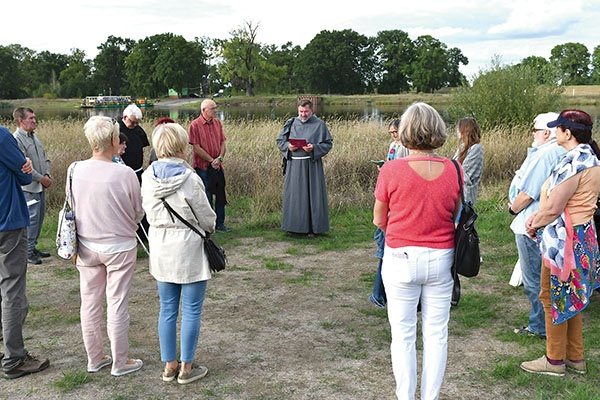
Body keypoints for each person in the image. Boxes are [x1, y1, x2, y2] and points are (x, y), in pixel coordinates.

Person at [373, 102, 461, 399]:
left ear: (406, 131)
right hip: (441, 257)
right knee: (437, 335)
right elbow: (457, 214)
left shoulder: (391, 170)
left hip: (400, 256)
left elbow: (378, 219)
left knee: (403, 335)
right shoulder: (454, 169)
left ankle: (406, 396)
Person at [521, 110, 600, 376]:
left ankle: (554, 360)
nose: (554, 132)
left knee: (552, 296)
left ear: (568, 133)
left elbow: (554, 207)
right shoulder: (590, 158)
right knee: (573, 297)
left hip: (566, 241)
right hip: (582, 235)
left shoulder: (575, 162)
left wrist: (533, 222)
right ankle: (575, 358)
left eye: (558, 129)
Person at [69, 116, 144, 376]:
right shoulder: (125, 173)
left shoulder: (74, 169)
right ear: (114, 140)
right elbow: (138, 210)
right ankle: (119, 361)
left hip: (86, 246)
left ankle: (95, 357)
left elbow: (73, 205)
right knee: (117, 303)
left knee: (89, 304)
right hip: (120, 246)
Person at [141, 122, 216, 384]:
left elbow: (146, 213)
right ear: (182, 147)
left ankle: (169, 365)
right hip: (189, 246)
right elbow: (207, 218)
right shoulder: (190, 178)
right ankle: (186, 367)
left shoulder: (147, 177)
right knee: (192, 309)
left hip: (161, 244)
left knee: (167, 308)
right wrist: (210, 227)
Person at [508, 112, 565, 339]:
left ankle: (539, 327)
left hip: (531, 223)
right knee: (547, 278)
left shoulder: (547, 154)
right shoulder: (560, 151)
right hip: (547, 223)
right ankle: (550, 322)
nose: (533, 135)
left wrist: (513, 209)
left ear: (546, 133)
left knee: (534, 279)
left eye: (535, 131)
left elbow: (528, 192)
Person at [0, 126, 50, 379]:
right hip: (7, 221)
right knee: (12, 290)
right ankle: (14, 358)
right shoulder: (2, 136)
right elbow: (23, 176)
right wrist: (26, 163)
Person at [276, 99, 333, 236]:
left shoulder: (319, 125)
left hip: (311, 165)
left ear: (311, 110)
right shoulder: (291, 123)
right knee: (295, 196)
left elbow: (327, 143)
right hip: (294, 165)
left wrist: (314, 148)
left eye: (306, 111)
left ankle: (313, 228)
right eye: (301, 111)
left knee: (312, 196)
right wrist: (288, 147)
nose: (303, 114)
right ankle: (293, 227)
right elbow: (280, 141)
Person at [370, 119, 409, 308]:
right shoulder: (393, 145)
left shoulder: (407, 147)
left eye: (395, 132)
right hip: (391, 191)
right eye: (391, 132)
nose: (393, 135)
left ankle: (382, 293)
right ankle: (380, 293)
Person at [12, 107, 52, 265]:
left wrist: (47, 175)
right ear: (21, 121)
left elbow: (45, 158)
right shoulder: (16, 139)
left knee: (40, 218)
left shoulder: (35, 137)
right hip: (29, 188)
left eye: (35, 117)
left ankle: (33, 246)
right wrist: (41, 178)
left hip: (41, 186)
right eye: (31, 118)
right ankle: (27, 252)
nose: (35, 121)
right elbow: (23, 165)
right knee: (32, 220)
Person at [189, 99, 229, 232]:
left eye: (215, 108)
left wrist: (220, 159)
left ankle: (220, 224)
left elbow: (223, 142)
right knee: (206, 195)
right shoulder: (195, 125)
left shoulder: (217, 123)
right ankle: (208, 225)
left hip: (218, 166)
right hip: (203, 167)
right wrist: (212, 160)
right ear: (203, 110)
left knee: (220, 194)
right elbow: (196, 147)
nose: (215, 111)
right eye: (212, 109)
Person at [453, 117, 484, 205]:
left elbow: (464, 174)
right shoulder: (463, 147)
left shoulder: (476, 148)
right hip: (457, 194)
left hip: (465, 197)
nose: (457, 131)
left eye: (459, 128)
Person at [118, 104, 149, 183]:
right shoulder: (116, 129)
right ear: (125, 117)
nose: (135, 125)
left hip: (138, 171)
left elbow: (143, 147)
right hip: (122, 173)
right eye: (132, 122)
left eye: (137, 123)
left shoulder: (138, 130)